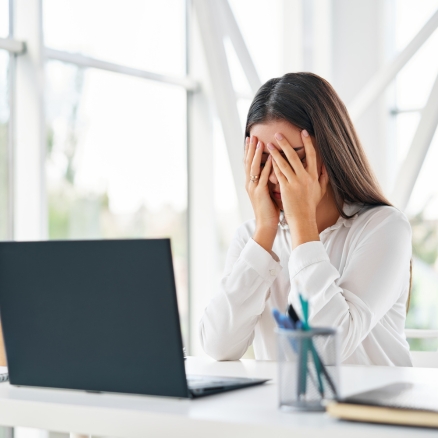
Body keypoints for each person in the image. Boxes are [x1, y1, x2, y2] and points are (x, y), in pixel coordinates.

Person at [199, 72, 412, 366]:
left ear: (330, 151)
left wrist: (302, 225)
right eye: (262, 161)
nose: (273, 177)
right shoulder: (252, 237)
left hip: (373, 410)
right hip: (285, 411)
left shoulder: (385, 228)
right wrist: (264, 232)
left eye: (290, 158)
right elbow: (219, 345)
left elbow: (323, 351)